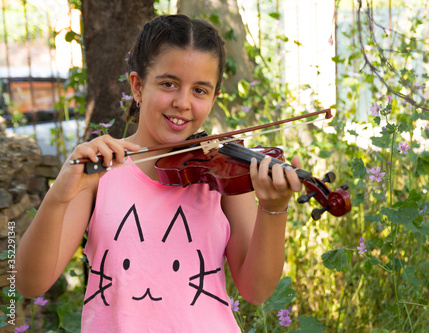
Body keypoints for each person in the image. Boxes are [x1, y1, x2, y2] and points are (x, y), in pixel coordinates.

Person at [16, 14, 302, 332]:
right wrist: (58, 196)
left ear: (213, 99)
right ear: (138, 87)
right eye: (169, 84)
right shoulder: (100, 171)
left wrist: (274, 208)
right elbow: (29, 283)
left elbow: (256, 290)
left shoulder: (222, 174)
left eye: (200, 90)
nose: (182, 102)